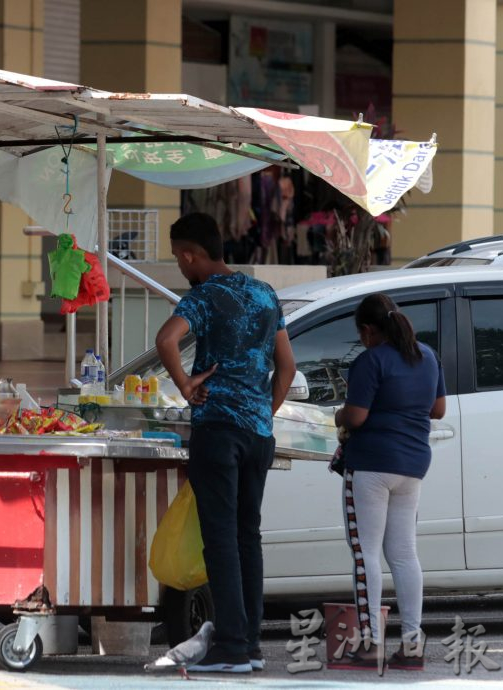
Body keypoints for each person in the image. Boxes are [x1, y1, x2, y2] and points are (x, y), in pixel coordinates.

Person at [155, 212, 296, 674]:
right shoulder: (264, 292)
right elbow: (288, 367)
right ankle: (250, 644)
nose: (180, 265)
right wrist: (262, 412)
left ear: (191, 254)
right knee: (247, 537)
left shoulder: (205, 295)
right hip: (258, 434)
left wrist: (185, 385)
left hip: (218, 431)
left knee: (220, 541)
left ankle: (232, 647)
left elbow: (166, 339)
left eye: (178, 257)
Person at [334, 293, 446, 671]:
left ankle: (370, 645)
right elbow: (438, 409)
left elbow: (356, 417)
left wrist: (339, 415)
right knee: (404, 554)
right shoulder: (427, 356)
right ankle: (412, 645)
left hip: (371, 465)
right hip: (412, 465)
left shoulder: (370, 361)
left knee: (365, 553)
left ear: (367, 330)